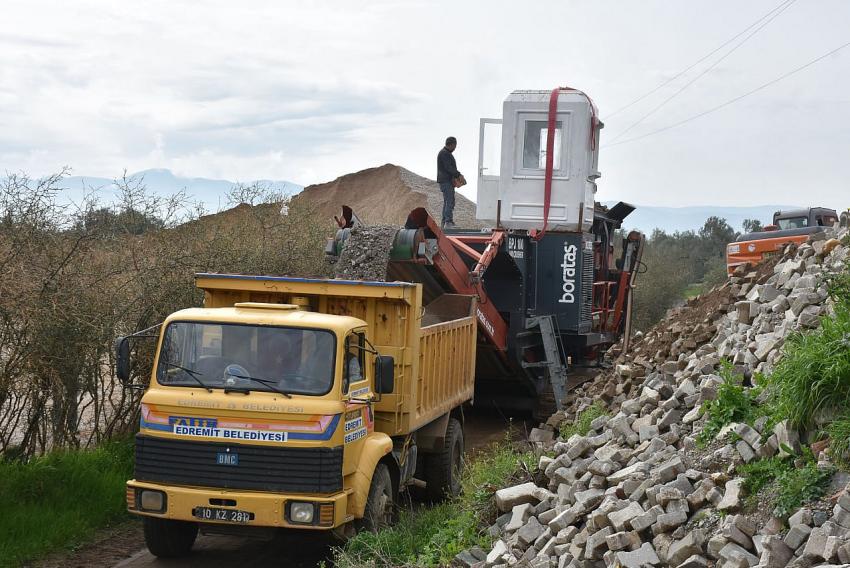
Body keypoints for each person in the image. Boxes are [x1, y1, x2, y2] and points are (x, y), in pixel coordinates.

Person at [437, 136, 462, 229]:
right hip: (446, 181)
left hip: (445, 181)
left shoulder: (445, 153)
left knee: (447, 201)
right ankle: (448, 222)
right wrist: (458, 175)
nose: (455, 148)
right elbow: (449, 168)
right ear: (452, 144)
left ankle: (444, 223)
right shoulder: (445, 154)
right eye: (455, 145)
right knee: (450, 201)